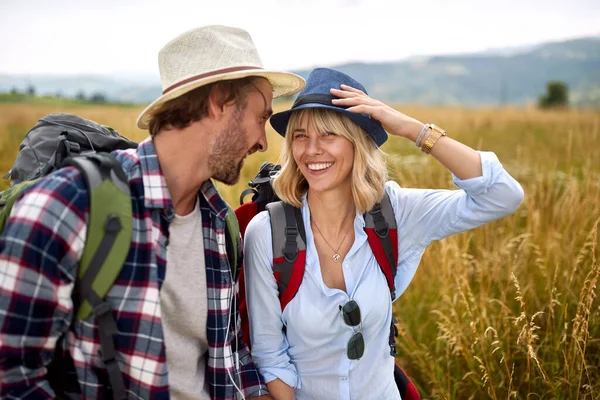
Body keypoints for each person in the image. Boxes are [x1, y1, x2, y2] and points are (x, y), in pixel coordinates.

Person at [0, 25, 304, 399]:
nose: (262, 141)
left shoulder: (220, 224)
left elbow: (229, 355)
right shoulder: (69, 205)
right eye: (261, 116)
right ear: (220, 101)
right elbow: (13, 377)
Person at [243, 68, 524, 400]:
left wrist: (411, 129)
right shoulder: (267, 232)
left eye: (329, 135)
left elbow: (502, 195)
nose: (311, 150)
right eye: (300, 136)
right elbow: (269, 354)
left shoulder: (395, 212)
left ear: (358, 143)